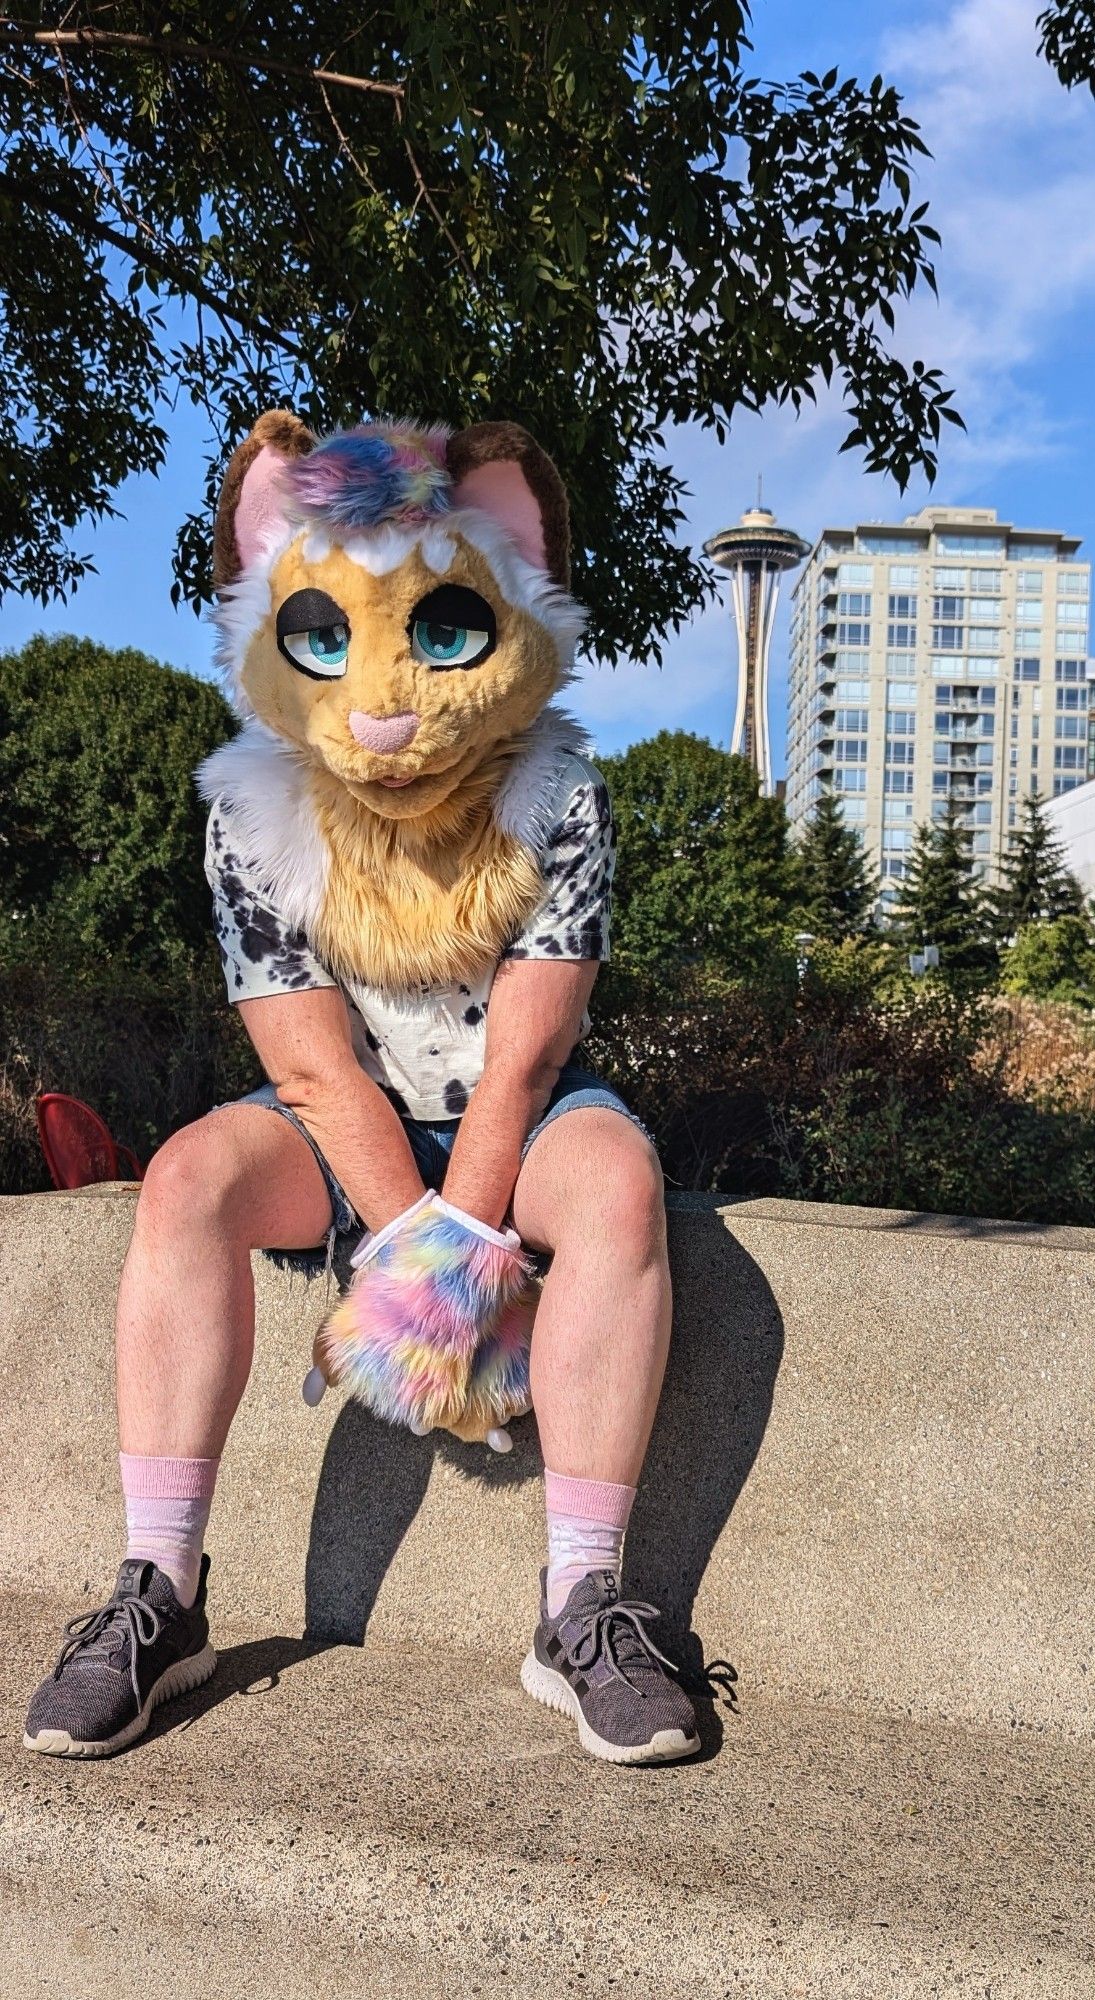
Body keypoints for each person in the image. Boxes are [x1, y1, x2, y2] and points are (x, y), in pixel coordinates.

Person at [24, 413, 699, 1767]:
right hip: (345, 1124)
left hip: (512, 1104)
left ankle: (582, 1602)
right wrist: (427, 1285)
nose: (382, 695)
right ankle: (161, 1591)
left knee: (619, 1187)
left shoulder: (559, 793)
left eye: (443, 630)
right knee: (185, 1180)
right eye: (323, 638)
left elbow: (527, 1050)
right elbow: (307, 1062)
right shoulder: (248, 808)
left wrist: (462, 1257)